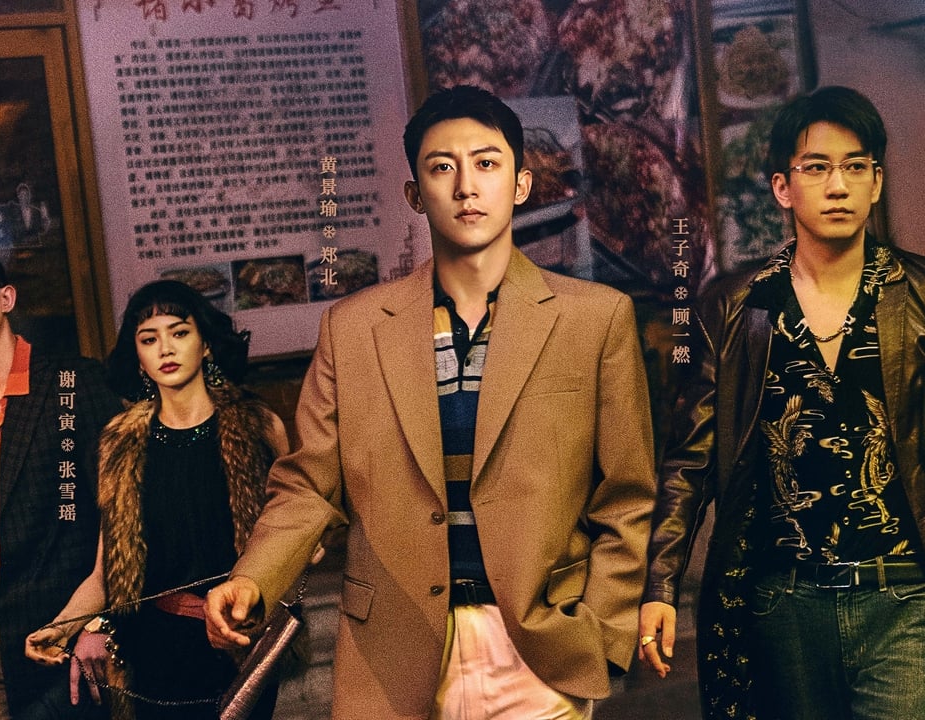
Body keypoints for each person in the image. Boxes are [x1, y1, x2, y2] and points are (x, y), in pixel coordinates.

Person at [205, 85, 656, 719]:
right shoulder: (354, 329)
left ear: (522, 185)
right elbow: (308, 484)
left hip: (539, 648)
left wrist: (602, 630)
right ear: (415, 194)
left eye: (487, 163)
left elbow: (627, 493)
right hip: (393, 654)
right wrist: (254, 577)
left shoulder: (596, 319)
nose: (467, 187)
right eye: (443, 167)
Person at [638, 86, 925, 719]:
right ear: (783, 188)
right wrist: (661, 583)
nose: (838, 186)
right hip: (782, 601)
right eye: (816, 168)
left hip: (905, 594)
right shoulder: (735, 305)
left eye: (855, 167)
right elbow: (689, 462)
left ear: (876, 182)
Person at [23, 280, 289, 719]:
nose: (165, 348)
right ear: (139, 358)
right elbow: (104, 574)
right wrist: (61, 626)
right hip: (154, 653)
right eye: (149, 339)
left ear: (205, 344)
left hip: (240, 641)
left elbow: (293, 531)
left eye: (179, 332)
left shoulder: (258, 426)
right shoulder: (120, 444)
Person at [0, 241, 120, 719]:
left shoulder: (72, 383)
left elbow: (123, 510)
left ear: (6, 298)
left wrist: (99, 621)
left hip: (67, 619)